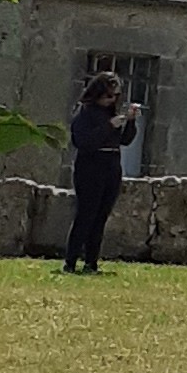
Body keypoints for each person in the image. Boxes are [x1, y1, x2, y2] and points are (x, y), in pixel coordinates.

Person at [62, 71, 136, 274]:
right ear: (98, 94)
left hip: (111, 166)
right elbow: (83, 142)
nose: (112, 100)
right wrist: (108, 126)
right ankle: (70, 260)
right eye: (108, 96)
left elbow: (125, 140)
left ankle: (91, 262)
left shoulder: (111, 113)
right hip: (90, 166)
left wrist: (130, 121)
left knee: (101, 215)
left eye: (115, 96)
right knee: (86, 214)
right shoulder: (85, 112)